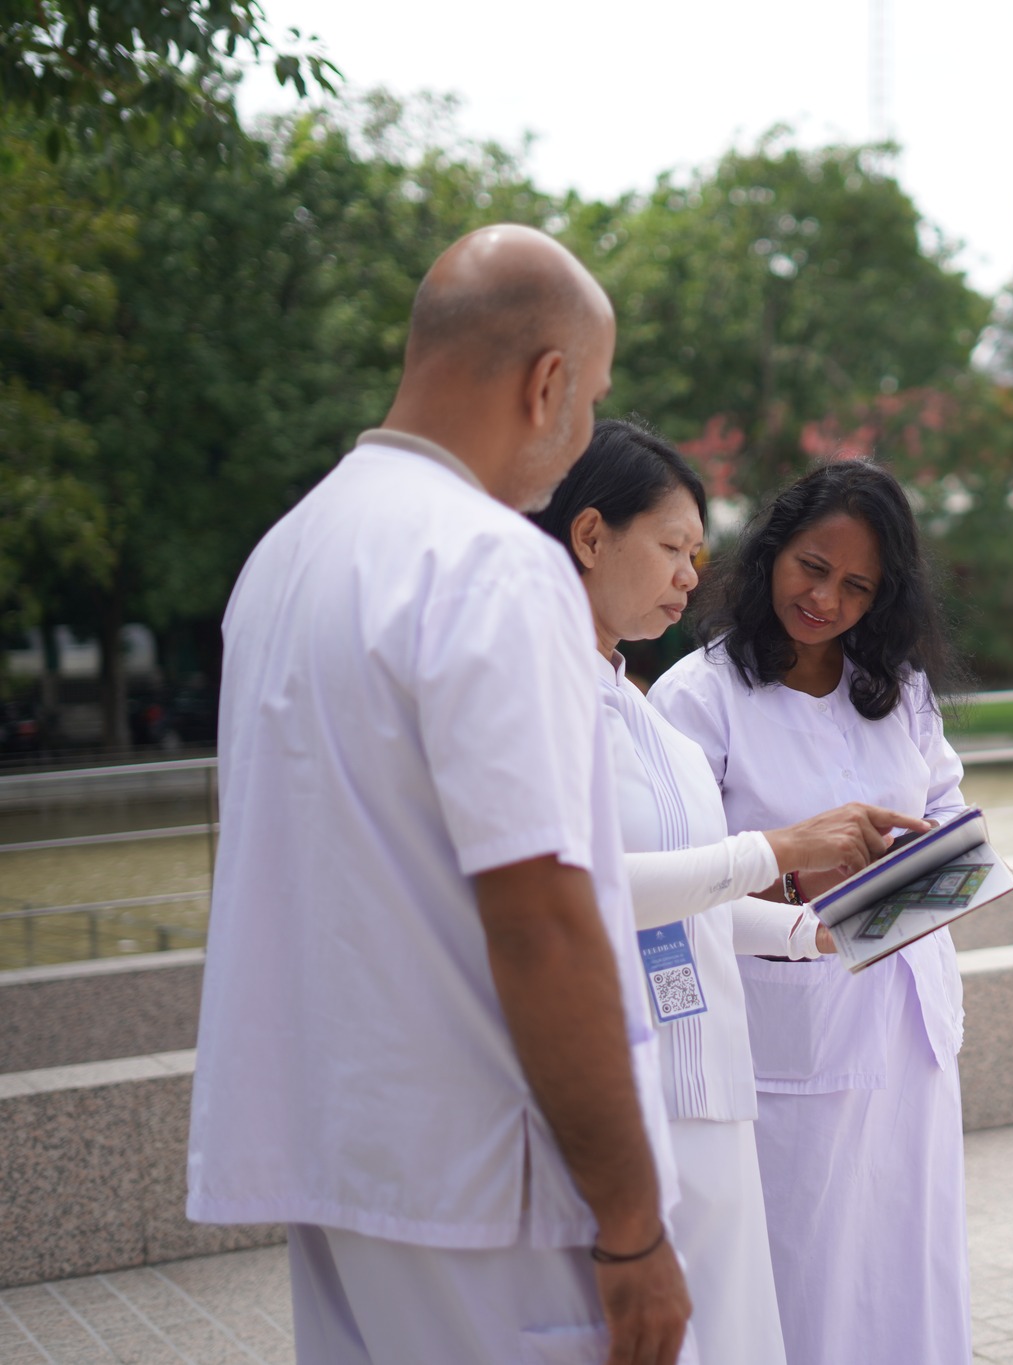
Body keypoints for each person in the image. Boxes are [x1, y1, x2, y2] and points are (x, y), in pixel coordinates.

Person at [188, 226, 693, 1365]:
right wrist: (632, 1223)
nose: (581, 436)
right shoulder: (490, 565)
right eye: (590, 400)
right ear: (547, 384)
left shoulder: (283, 558)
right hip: (495, 1188)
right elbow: (542, 919)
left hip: (343, 1168)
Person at [531, 420, 932, 1364]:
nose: (688, 576)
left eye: (695, 554)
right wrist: (777, 851)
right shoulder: (567, 697)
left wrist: (809, 934)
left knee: (767, 1325)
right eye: (674, 548)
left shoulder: (636, 709)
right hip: (643, 1079)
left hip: (716, 1073)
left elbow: (695, 892)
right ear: (590, 536)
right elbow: (574, 891)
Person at [649, 460, 973, 1365]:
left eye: (857, 586)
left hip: (908, 1029)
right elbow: (677, 877)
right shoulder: (698, 697)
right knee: (803, 1270)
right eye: (813, 567)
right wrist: (798, 882)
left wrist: (908, 885)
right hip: (785, 1034)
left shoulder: (898, 690)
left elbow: (950, 822)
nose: (826, 599)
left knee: (909, 1263)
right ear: (772, 551)